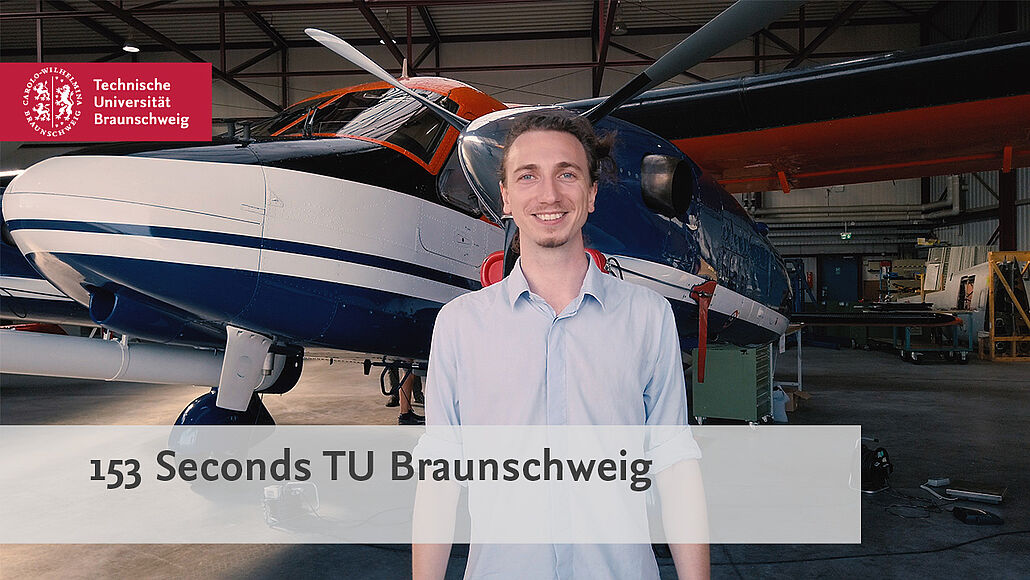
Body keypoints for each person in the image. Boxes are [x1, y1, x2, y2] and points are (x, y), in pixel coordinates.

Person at [413, 110, 709, 579]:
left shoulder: (647, 318)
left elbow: (675, 466)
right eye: (527, 177)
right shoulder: (459, 326)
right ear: (505, 198)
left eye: (566, 174)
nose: (549, 195)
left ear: (591, 194)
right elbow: (439, 479)